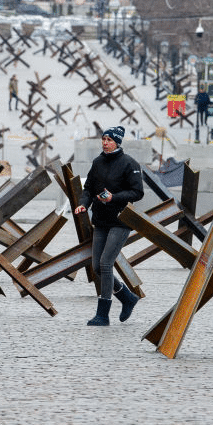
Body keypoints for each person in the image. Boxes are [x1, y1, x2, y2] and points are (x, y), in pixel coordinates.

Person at [74, 125, 144, 326]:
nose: (105, 143)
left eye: (109, 140)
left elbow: (137, 192)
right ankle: (128, 298)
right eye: (103, 139)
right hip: (101, 220)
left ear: (117, 142)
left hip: (120, 221)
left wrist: (114, 198)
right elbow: (88, 189)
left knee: (106, 263)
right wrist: (82, 204)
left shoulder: (129, 163)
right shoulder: (97, 163)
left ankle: (103, 314)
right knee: (96, 266)